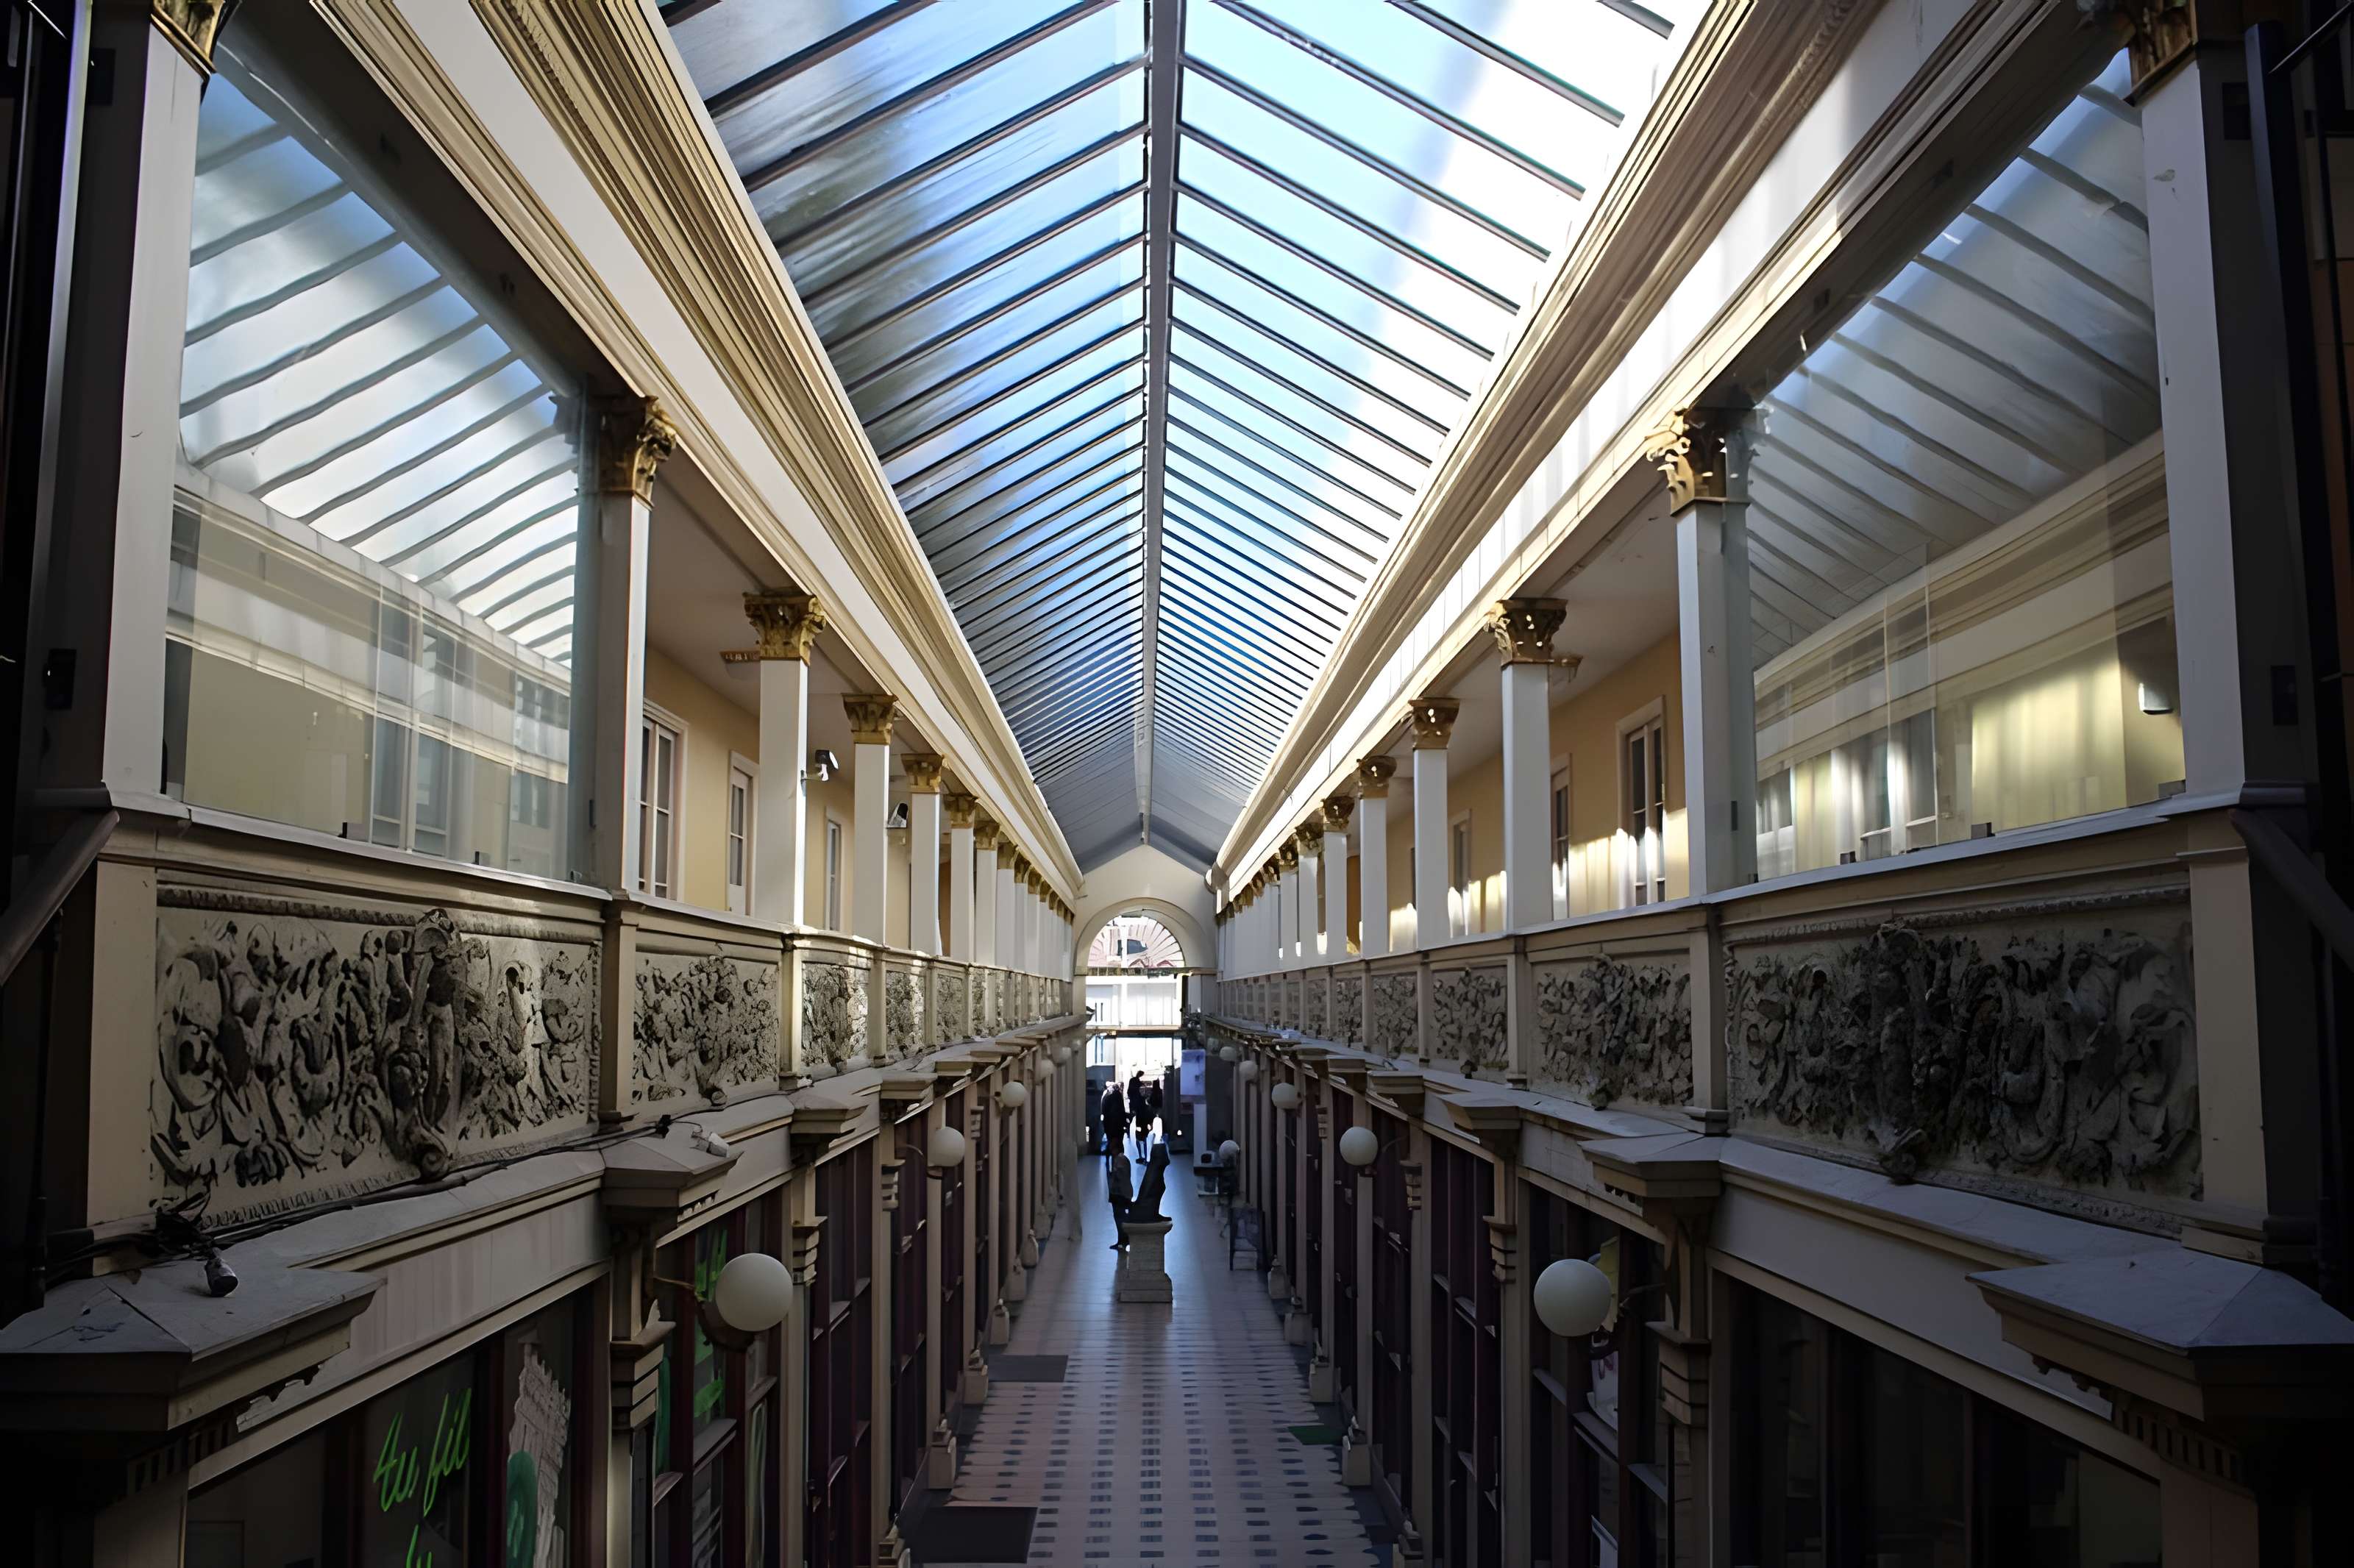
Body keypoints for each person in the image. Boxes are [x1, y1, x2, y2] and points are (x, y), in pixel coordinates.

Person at [1106, 1146, 1132, 1251]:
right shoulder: (1120, 1159)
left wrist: (1114, 1174)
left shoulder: (1120, 1160)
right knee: (1120, 1217)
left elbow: (1120, 1177)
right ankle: (1123, 1240)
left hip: (1120, 1194)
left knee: (1119, 1217)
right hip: (1120, 1193)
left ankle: (1123, 1241)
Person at [1099, 1078, 1127, 1160]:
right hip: (1118, 1128)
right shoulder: (1119, 1100)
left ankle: (1110, 1159)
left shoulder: (1108, 1098)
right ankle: (1119, 1160)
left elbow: (1104, 1111)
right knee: (1119, 1144)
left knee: (1111, 1143)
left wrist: (1105, 1125)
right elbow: (1123, 1113)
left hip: (1110, 1127)